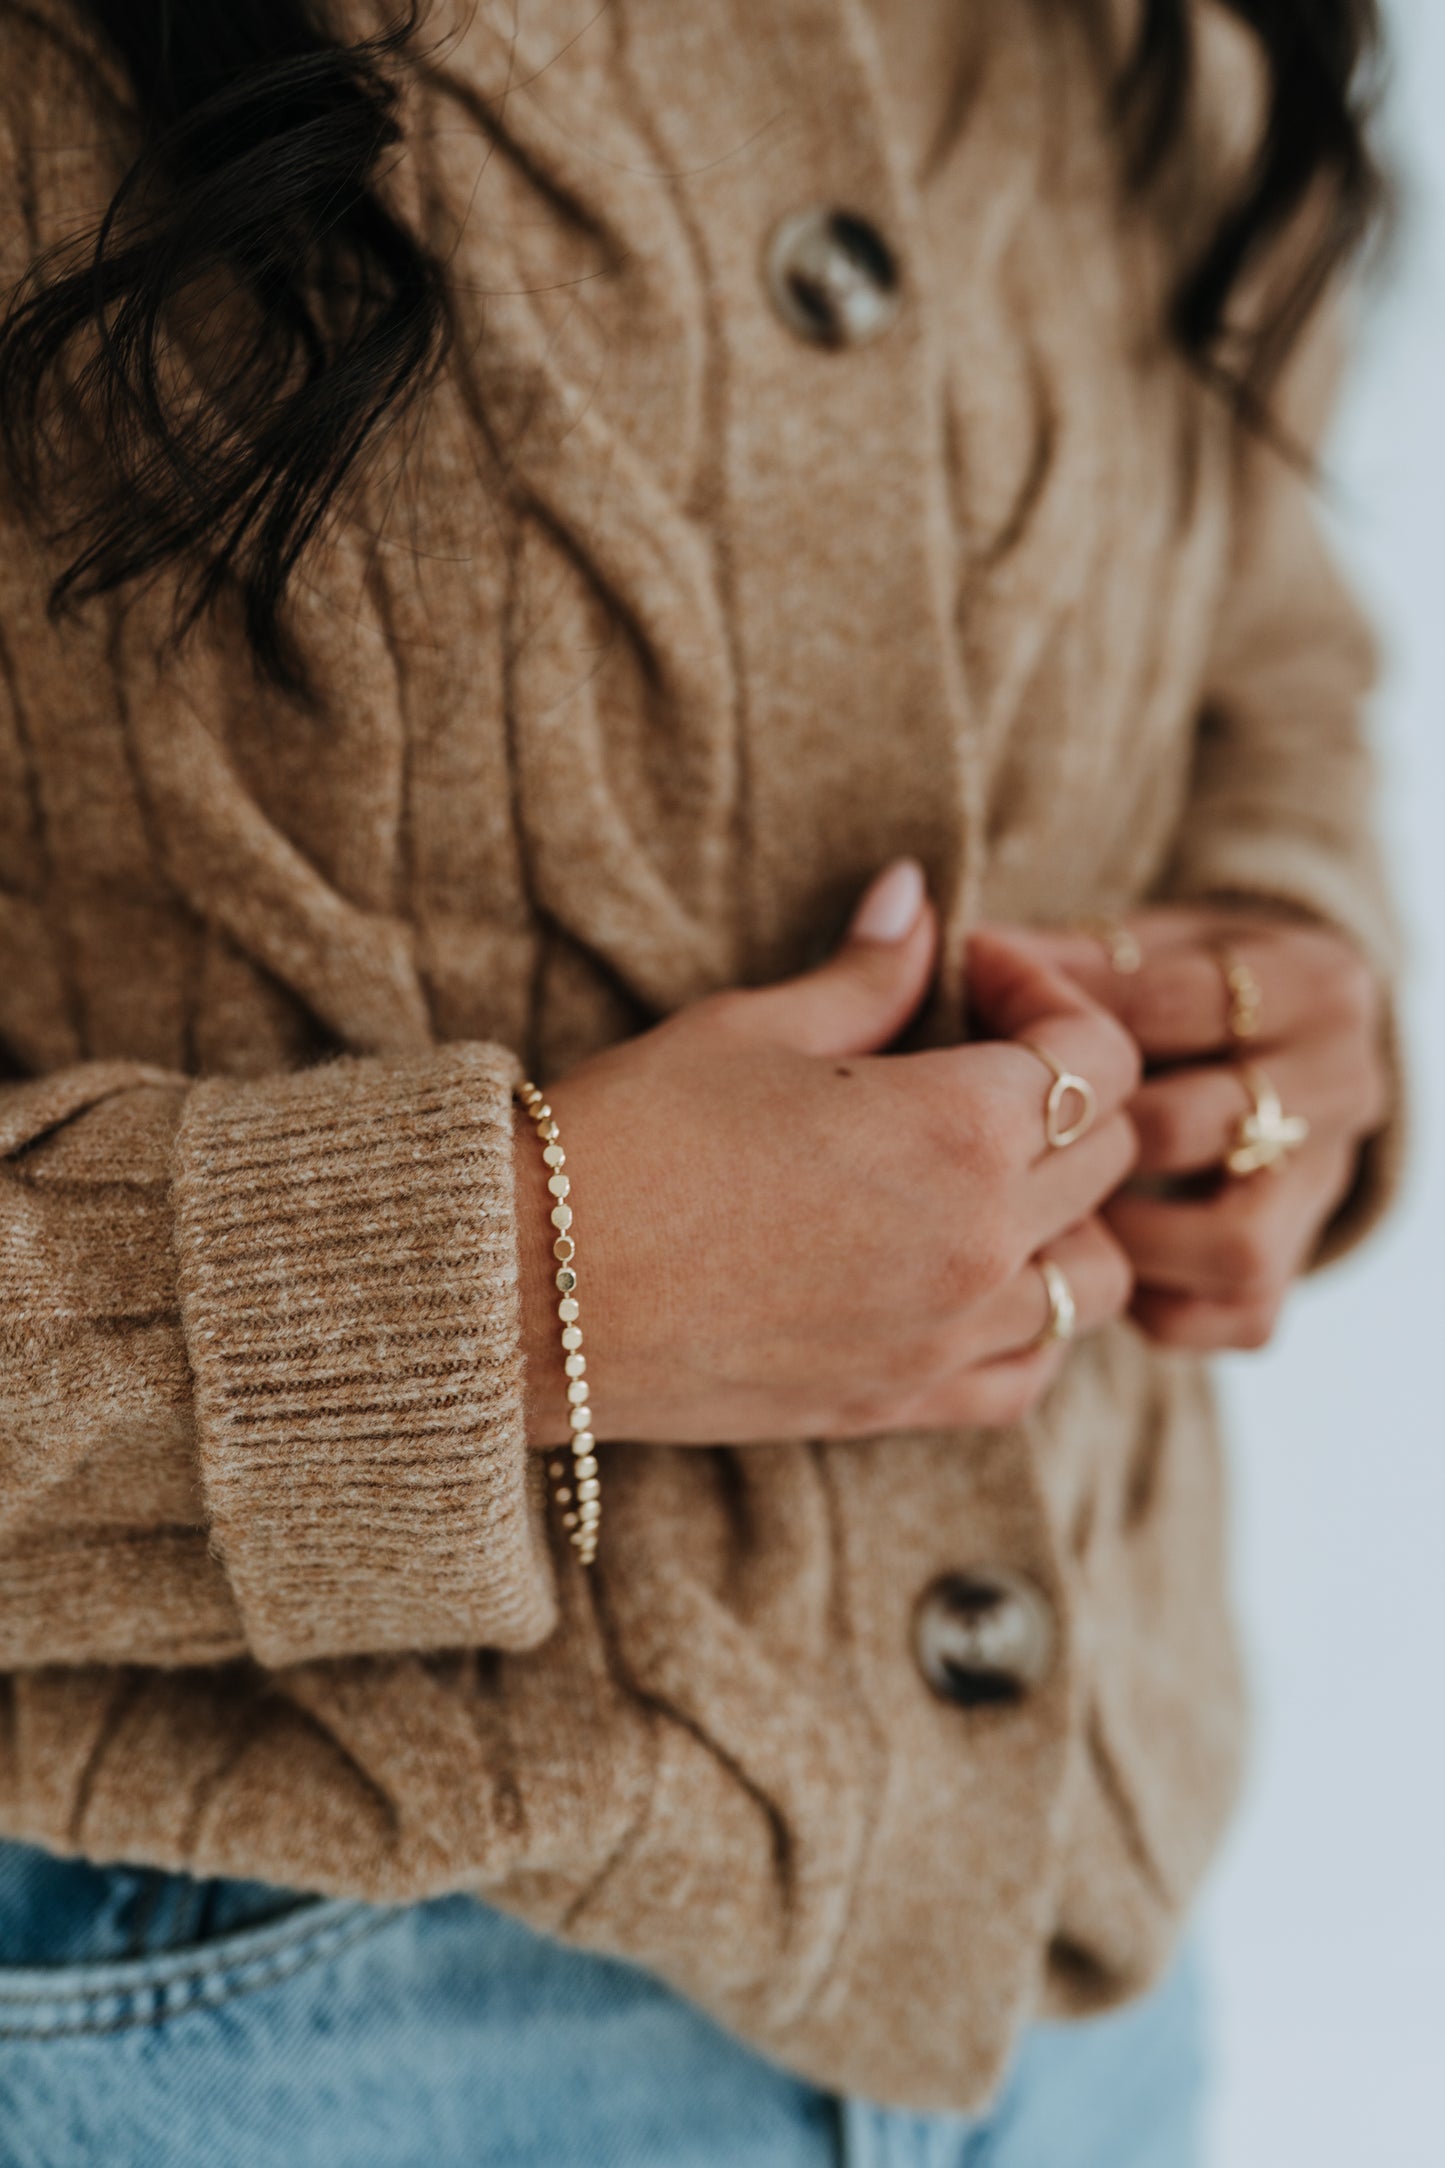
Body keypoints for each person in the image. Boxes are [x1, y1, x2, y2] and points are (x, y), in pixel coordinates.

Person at [0, 1, 1398, 2161]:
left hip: (1079, 1979)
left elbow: (1264, 619)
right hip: (223, 2007)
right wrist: (523, 1281)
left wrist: (1290, 986)